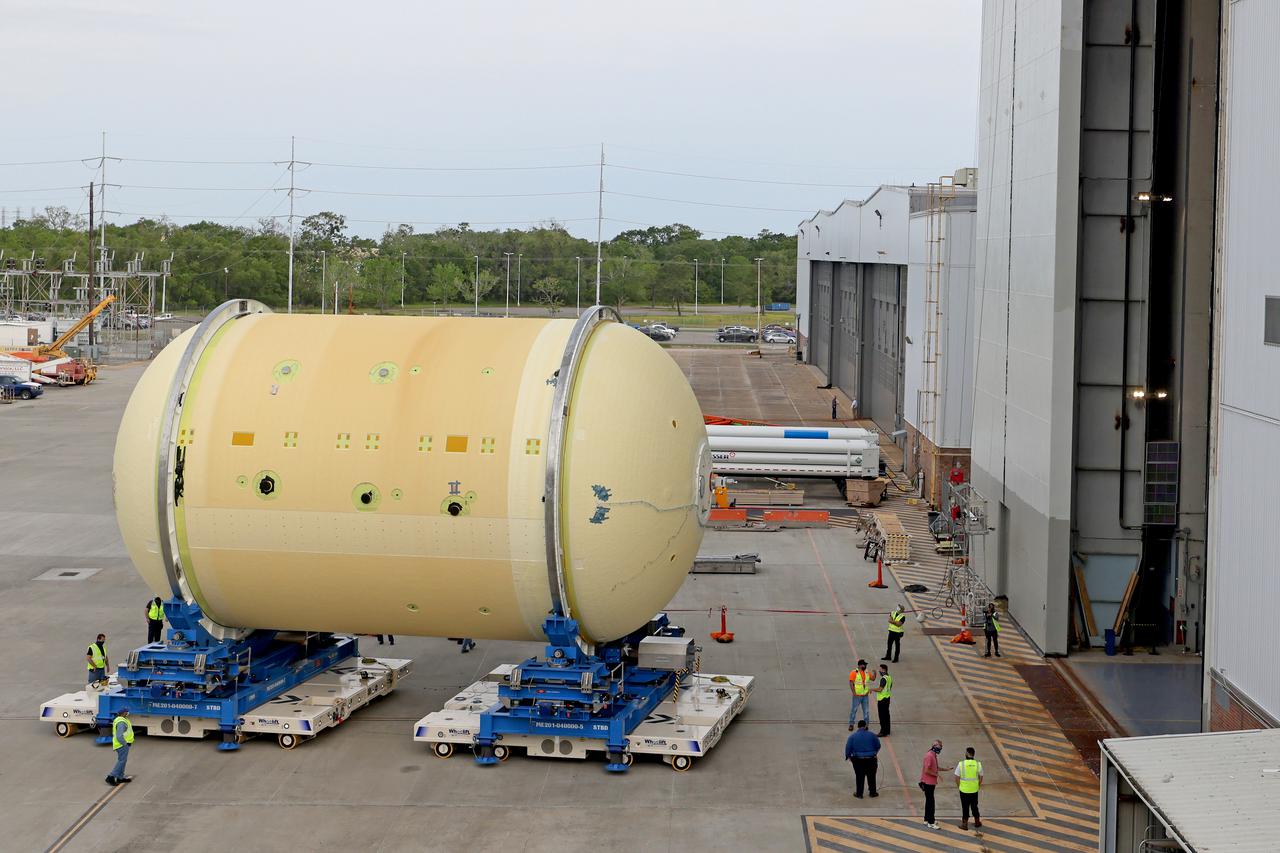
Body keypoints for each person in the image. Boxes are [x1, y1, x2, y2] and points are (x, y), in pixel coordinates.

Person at [844, 719, 880, 798]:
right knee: (871, 776)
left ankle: (859, 794)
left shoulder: (852, 737)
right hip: (871, 759)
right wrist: (875, 753)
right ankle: (873, 793)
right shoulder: (872, 735)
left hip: (858, 760)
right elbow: (878, 745)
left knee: (859, 777)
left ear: (858, 727)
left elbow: (848, 748)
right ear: (865, 726)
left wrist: (849, 756)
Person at [919, 739, 951, 830]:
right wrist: (937, 775)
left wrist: (946, 769)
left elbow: (935, 768)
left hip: (930, 783)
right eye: (940, 746)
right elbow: (927, 770)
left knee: (929, 801)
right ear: (935, 746)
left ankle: (926, 819)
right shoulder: (929, 756)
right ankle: (931, 822)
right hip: (928, 783)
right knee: (931, 803)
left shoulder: (933, 754)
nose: (941, 748)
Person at [956, 747, 984, 830]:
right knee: (974, 806)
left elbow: (956, 777)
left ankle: (964, 824)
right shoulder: (978, 764)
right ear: (973, 754)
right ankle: (977, 822)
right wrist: (978, 785)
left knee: (965, 807)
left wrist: (959, 786)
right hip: (974, 790)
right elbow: (981, 776)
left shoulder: (961, 764)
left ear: (967, 754)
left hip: (964, 790)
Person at [106, 708, 134, 785]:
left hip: (122, 744)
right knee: (122, 761)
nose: (128, 713)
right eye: (127, 712)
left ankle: (120, 777)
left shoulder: (122, 719)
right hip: (122, 744)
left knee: (123, 760)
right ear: (124, 713)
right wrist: (125, 743)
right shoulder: (121, 722)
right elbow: (119, 736)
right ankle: (111, 777)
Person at [848, 659, 873, 731]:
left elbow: (873, 679)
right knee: (854, 710)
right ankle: (851, 724)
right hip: (857, 696)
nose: (865, 666)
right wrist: (854, 693)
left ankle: (866, 725)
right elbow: (851, 683)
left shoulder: (867, 672)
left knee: (866, 711)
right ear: (859, 665)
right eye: (864, 665)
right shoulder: (854, 672)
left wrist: (875, 674)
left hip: (865, 695)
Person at [875, 663, 893, 737]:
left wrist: (871, 689)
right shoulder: (889, 677)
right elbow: (890, 687)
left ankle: (883, 731)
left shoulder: (883, 679)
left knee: (882, 716)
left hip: (882, 699)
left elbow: (880, 689)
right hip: (887, 698)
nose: (879, 671)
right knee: (887, 715)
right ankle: (887, 730)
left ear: (884, 670)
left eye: (880, 669)